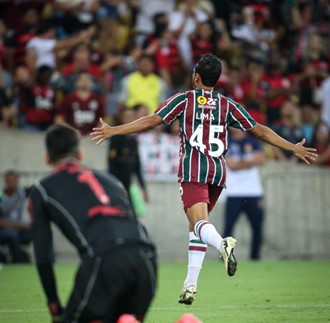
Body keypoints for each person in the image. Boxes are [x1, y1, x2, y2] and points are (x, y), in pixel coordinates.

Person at [91, 54, 317, 305]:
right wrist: (291, 147)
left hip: (193, 170)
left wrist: (114, 130)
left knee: (199, 223)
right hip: (218, 172)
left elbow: (151, 121)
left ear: (195, 77)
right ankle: (190, 285)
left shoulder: (183, 100)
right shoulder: (227, 104)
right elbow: (259, 130)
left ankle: (222, 245)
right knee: (197, 226)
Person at [29, 123, 225, 323]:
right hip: (147, 259)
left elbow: (42, 256)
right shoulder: (111, 181)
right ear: (80, 154)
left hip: (106, 259)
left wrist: (55, 310)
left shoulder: (41, 189)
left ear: (46, 157)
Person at [223, 128, 265, 260]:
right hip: (234, 192)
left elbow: (261, 159)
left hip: (253, 192)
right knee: (228, 228)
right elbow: (231, 165)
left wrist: (240, 162)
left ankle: (255, 257)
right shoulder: (226, 142)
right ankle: (226, 256)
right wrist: (249, 161)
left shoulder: (254, 142)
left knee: (257, 227)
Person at [0, 170, 31, 263]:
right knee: (12, 235)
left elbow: (37, 190)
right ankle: (17, 262)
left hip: (18, 229)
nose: (13, 183)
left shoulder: (21, 193)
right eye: (10, 180)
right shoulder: (1, 196)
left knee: (39, 231)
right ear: (6, 181)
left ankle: (47, 261)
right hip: (4, 230)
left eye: (15, 180)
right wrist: (17, 225)